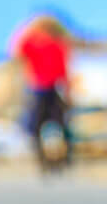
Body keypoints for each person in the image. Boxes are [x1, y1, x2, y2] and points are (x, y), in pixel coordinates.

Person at [11, 14, 72, 172]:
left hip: (53, 89)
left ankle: (64, 160)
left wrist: (68, 90)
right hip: (39, 89)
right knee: (36, 126)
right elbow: (17, 50)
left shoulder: (57, 45)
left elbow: (64, 70)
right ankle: (43, 161)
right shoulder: (33, 45)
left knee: (62, 125)